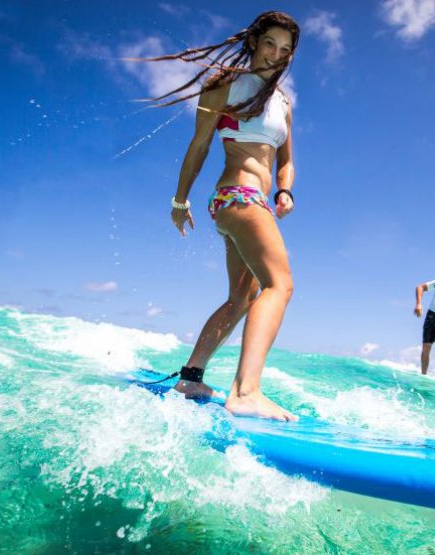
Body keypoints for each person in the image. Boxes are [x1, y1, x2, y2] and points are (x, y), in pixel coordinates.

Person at [143, 11, 300, 421]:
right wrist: (180, 200)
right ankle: (246, 392)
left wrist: (284, 190)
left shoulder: (283, 102)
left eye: (285, 50)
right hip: (237, 195)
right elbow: (199, 146)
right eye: (270, 44)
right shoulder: (225, 85)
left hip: (257, 202)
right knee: (279, 285)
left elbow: (286, 161)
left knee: (241, 299)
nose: (276, 54)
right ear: (254, 42)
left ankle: (191, 376)